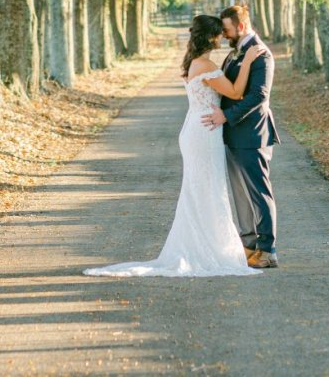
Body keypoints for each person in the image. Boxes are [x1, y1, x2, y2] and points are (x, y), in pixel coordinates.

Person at [85, 14, 264, 277]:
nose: (223, 37)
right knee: (208, 190)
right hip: (203, 133)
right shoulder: (203, 65)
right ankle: (208, 250)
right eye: (219, 33)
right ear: (211, 36)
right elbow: (236, 93)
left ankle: (209, 245)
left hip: (199, 129)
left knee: (203, 190)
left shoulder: (195, 62)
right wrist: (248, 61)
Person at [203, 3, 279, 269]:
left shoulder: (261, 54)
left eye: (227, 29)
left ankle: (268, 250)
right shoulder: (235, 53)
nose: (224, 35)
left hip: (252, 133)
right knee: (240, 193)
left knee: (259, 192)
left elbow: (259, 96)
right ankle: (248, 244)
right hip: (232, 134)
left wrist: (227, 115)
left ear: (242, 26)